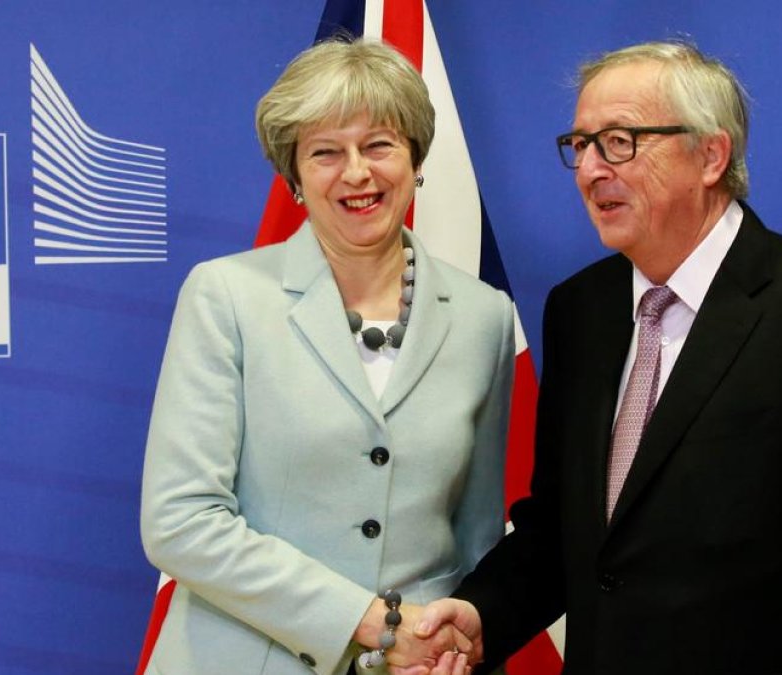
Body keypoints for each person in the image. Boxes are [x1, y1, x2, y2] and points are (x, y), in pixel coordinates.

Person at [403, 40, 782, 675]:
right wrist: (483, 617)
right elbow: (564, 534)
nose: (592, 169)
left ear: (711, 155)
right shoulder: (581, 311)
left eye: (620, 141)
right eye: (580, 145)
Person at [139, 37, 513, 675]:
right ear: (293, 176)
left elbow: (475, 544)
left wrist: (449, 648)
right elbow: (181, 521)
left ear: (415, 157)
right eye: (325, 153)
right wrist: (376, 626)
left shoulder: (485, 318)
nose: (357, 173)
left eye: (379, 145)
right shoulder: (226, 296)